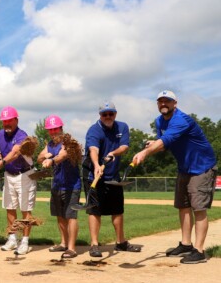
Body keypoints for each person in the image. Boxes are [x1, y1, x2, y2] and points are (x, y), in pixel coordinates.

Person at [133, 90, 217, 264]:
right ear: (158, 104)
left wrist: (145, 152)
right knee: (183, 206)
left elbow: (165, 140)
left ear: (175, 103)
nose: (164, 104)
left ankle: (199, 251)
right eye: (161, 101)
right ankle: (186, 244)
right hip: (184, 167)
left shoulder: (181, 119)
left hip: (201, 166)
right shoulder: (159, 121)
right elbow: (164, 143)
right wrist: (152, 144)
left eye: (167, 101)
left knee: (198, 208)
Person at [83, 102, 141, 257]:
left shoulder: (122, 127)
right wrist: (96, 165)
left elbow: (124, 147)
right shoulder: (94, 130)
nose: (108, 117)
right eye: (104, 114)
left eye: (111, 113)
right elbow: (93, 149)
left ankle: (121, 242)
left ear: (115, 114)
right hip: (94, 176)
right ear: (100, 115)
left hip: (113, 176)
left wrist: (112, 153)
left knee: (117, 210)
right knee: (95, 211)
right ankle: (94, 245)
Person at [0, 106, 37, 255]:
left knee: (25, 210)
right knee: (10, 207)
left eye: (9, 121)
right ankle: (12, 238)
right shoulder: (0, 134)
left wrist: (1, 163)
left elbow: (15, 152)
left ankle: (25, 242)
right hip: (9, 175)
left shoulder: (22, 135)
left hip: (25, 175)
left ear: (16, 120)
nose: (6, 124)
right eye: (4, 121)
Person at [37, 115, 81, 258]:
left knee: (71, 216)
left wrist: (51, 160)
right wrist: (45, 156)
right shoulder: (50, 144)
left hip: (71, 185)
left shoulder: (69, 143)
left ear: (61, 128)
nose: (53, 132)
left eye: (55, 129)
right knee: (60, 216)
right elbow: (39, 158)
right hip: (57, 185)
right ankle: (63, 243)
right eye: (50, 130)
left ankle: (72, 248)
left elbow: (62, 156)